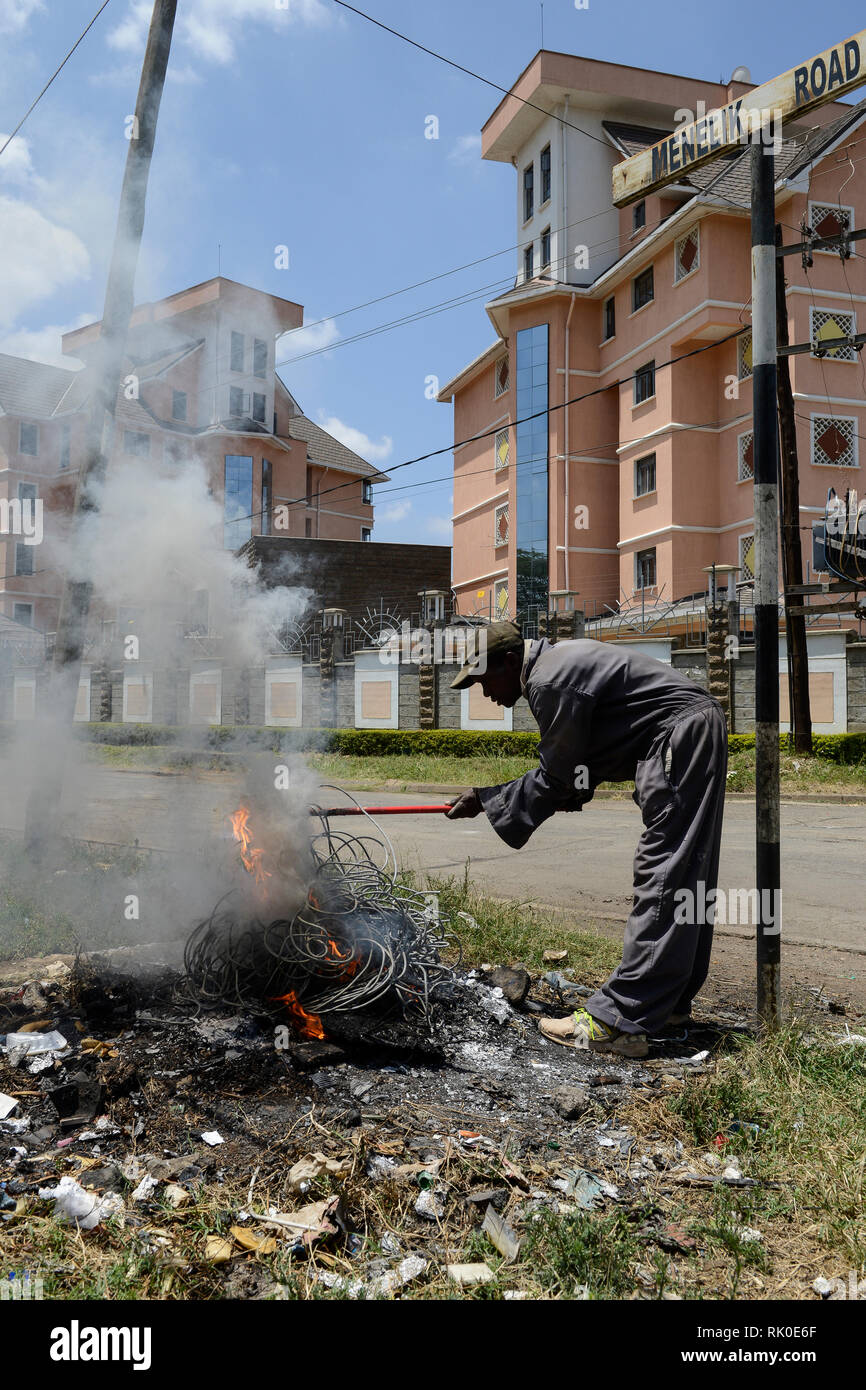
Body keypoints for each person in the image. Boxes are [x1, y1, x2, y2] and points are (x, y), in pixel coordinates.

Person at [445, 620, 728, 1058]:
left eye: (484, 681)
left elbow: (558, 776)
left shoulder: (548, 680)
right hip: (690, 732)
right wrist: (494, 798)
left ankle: (620, 1022)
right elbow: (579, 770)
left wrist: (489, 799)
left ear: (507, 662)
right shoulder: (558, 664)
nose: (485, 694)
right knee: (686, 873)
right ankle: (666, 1005)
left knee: (666, 871)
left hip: (679, 738)